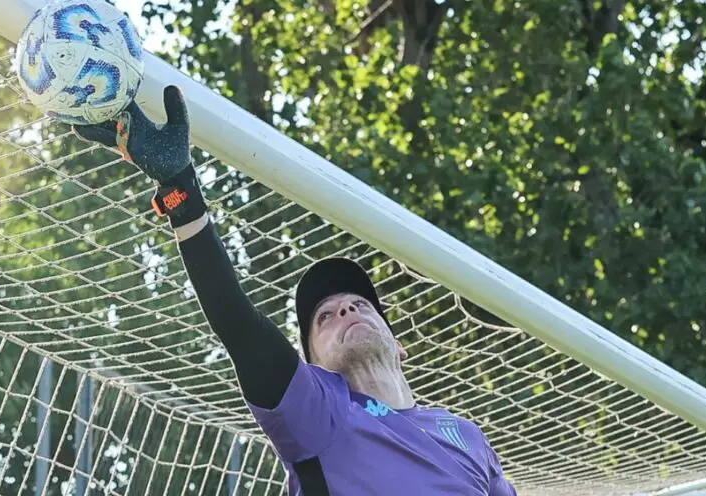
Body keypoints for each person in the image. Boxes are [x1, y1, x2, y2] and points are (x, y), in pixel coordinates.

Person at [73, 86, 517, 495]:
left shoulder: (466, 435)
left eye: (359, 304)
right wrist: (180, 191)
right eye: (324, 318)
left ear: (399, 345)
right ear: (313, 368)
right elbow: (240, 325)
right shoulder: (321, 412)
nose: (345, 310)